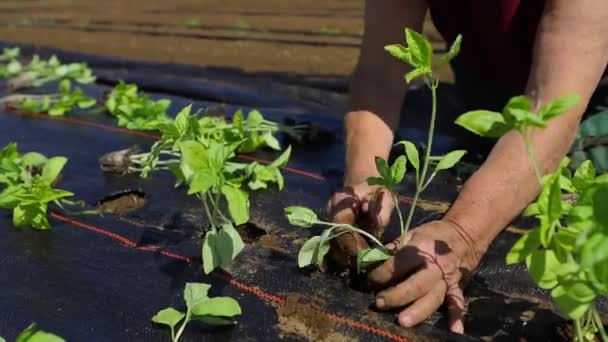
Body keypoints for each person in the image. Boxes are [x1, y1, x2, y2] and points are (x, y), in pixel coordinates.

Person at [327, 0, 608, 334]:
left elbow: (550, 112)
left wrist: (462, 233)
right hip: (483, 90)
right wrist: (362, 179)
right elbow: (379, 71)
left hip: (588, 100)